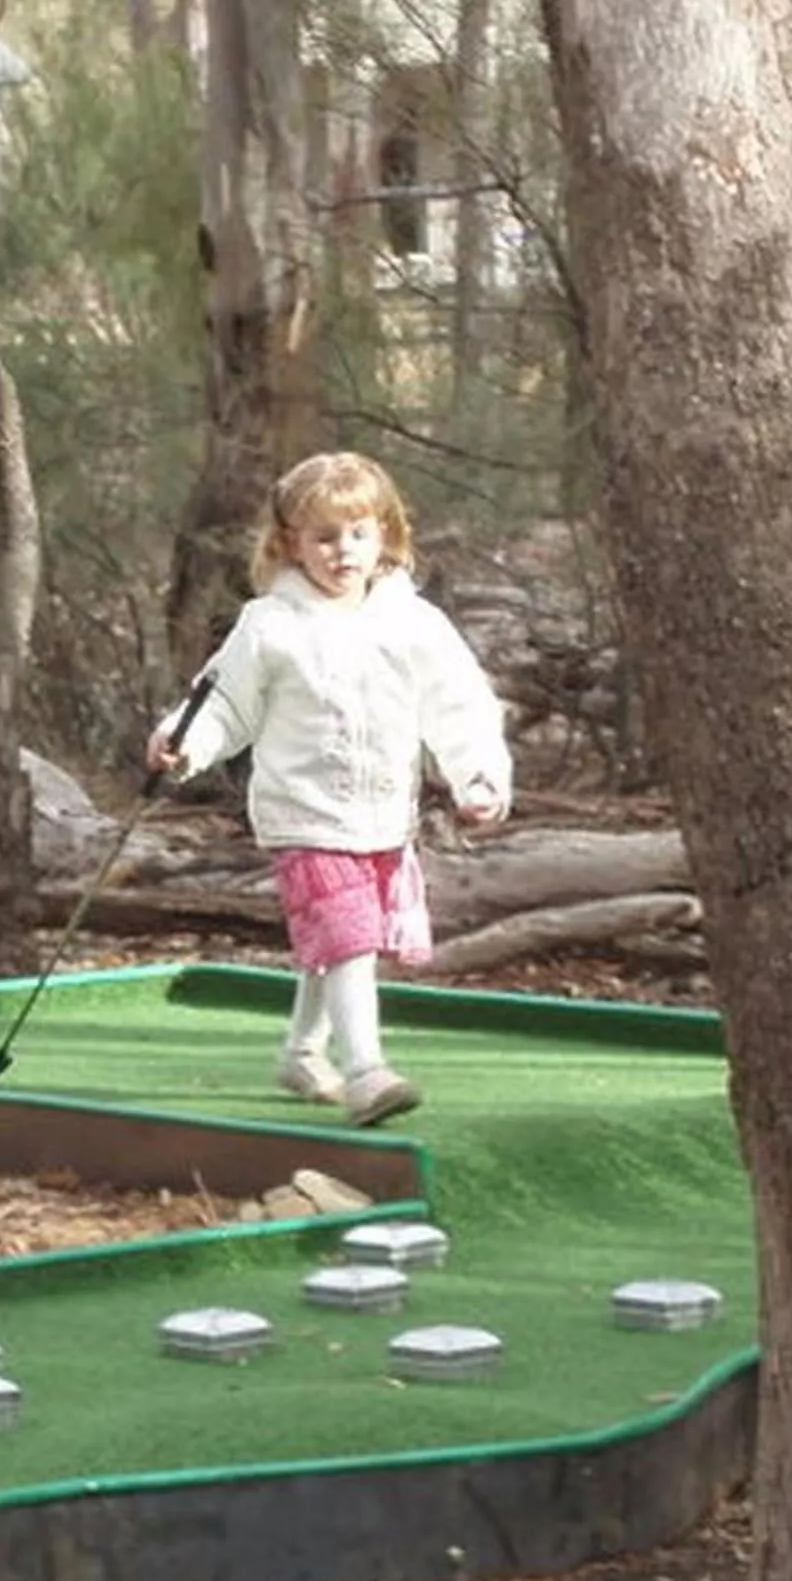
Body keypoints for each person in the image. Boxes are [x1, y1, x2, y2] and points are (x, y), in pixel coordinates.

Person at [149, 449, 513, 1126]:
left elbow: (459, 704)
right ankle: (366, 1070)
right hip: (306, 814)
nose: (343, 551)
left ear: (385, 536)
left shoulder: (413, 623)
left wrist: (479, 775)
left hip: (383, 816)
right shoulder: (270, 625)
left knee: (339, 937)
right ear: (291, 544)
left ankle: (301, 1051)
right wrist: (184, 740)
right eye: (323, 537)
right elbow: (223, 703)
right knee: (349, 937)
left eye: (358, 533)